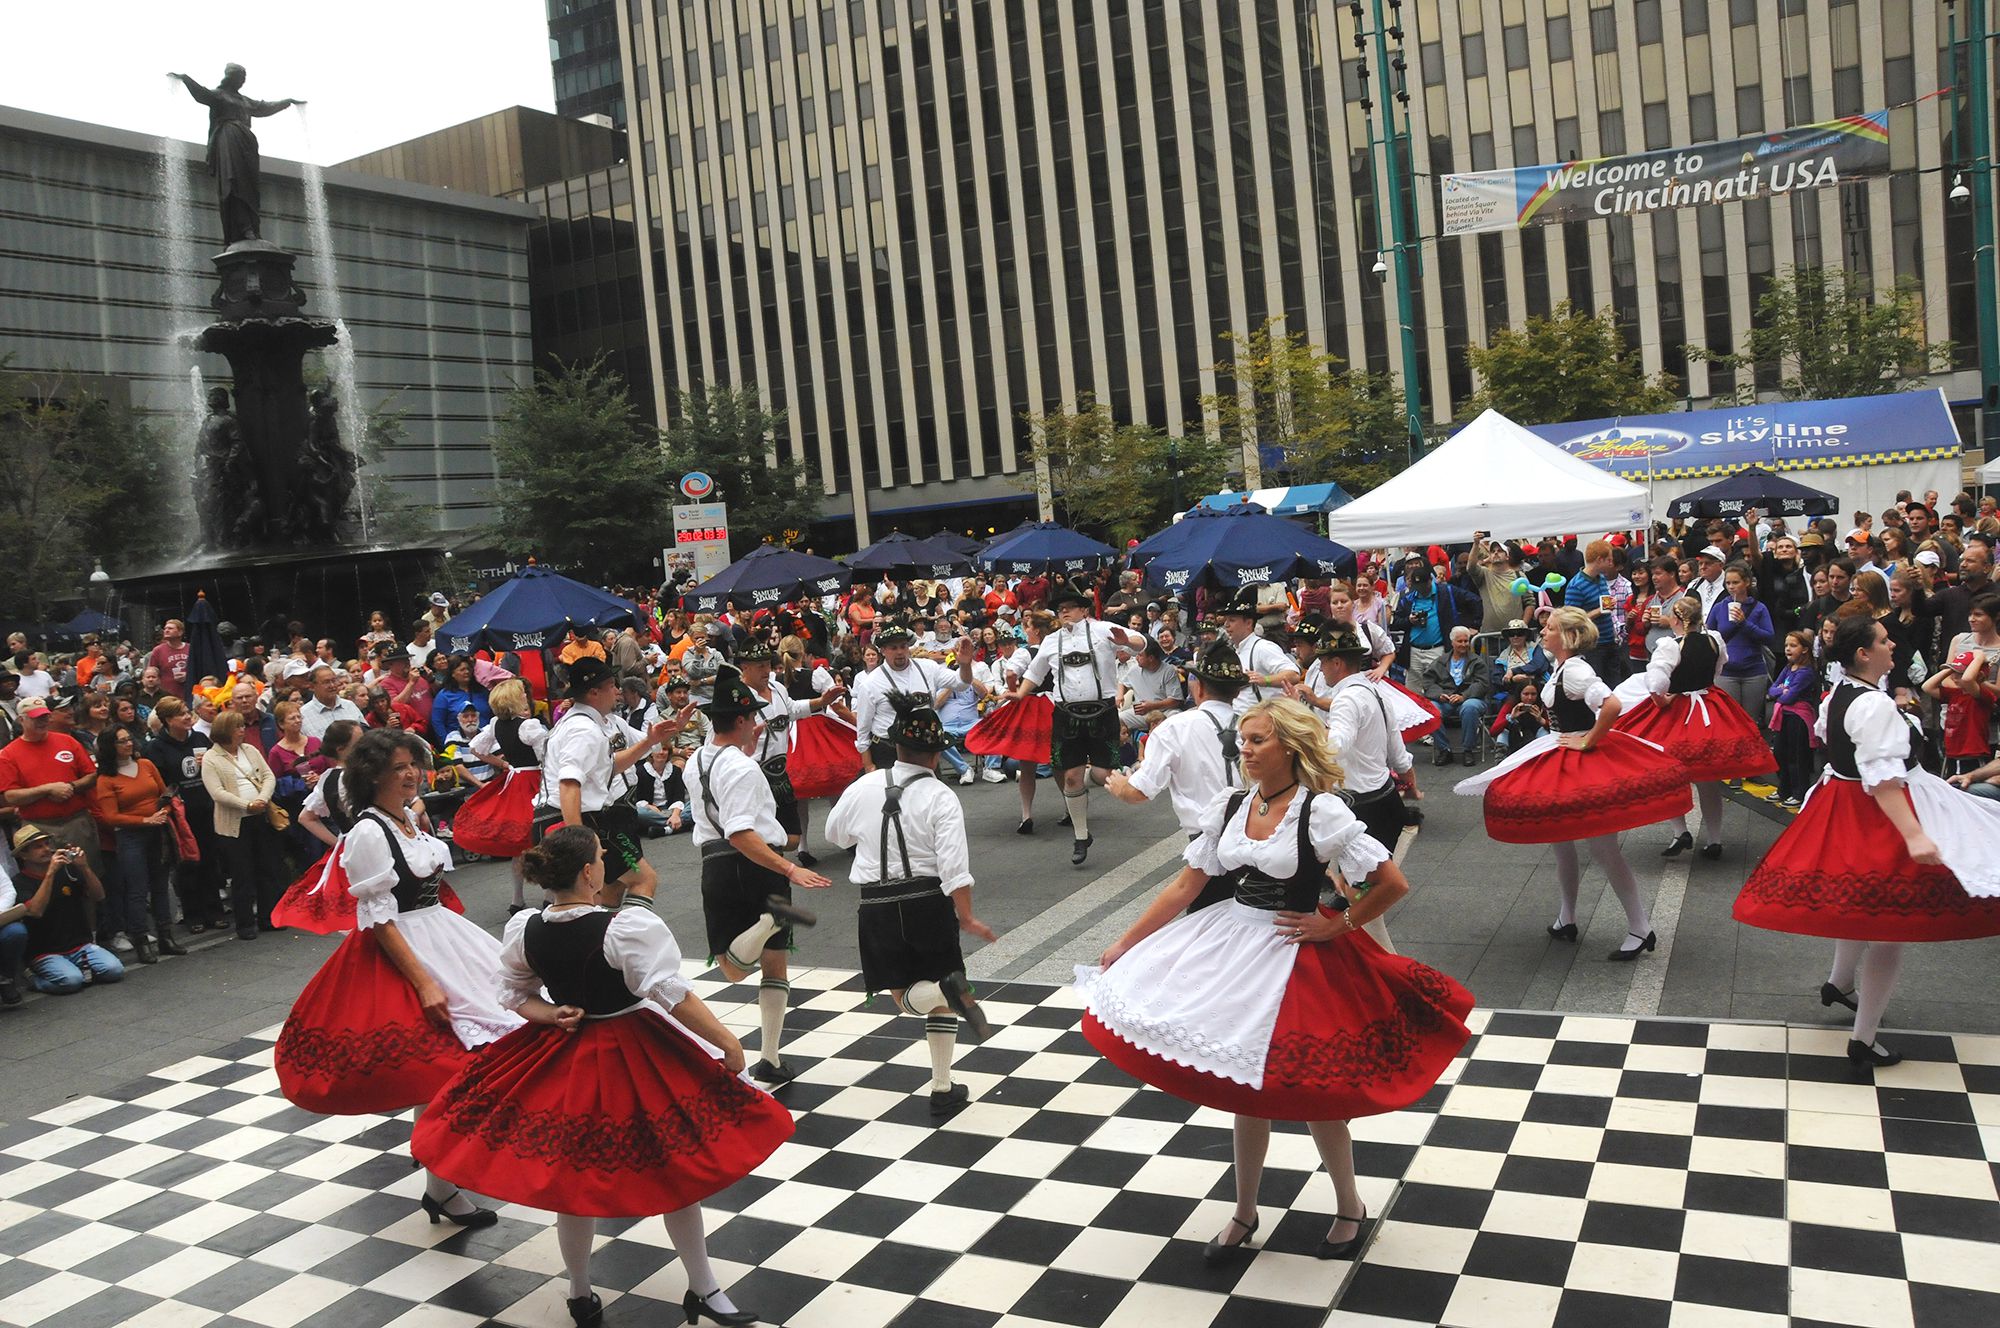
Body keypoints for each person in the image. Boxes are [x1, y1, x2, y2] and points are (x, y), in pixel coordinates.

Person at [1078, 699, 1472, 1265]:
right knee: (1244, 1087)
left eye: (1258, 739)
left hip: (1296, 954)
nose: (1246, 749)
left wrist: (1338, 923)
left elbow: (1391, 883)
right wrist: (1125, 943)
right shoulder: (1232, 804)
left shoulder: (1321, 811)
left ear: (1288, 745)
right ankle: (1244, 1211)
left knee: (1316, 1092)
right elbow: (1184, 888)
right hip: (1231, 942)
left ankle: (1349, 1205)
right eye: (1243, 739)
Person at [411, 826, 790, 1328]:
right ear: (589, 872)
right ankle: (699, 1288)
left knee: (575, 1182)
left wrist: (548, 1015)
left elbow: (513, 994)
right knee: (675, 1171)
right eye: (602, 857)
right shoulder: (621, 927)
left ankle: (583, 1292)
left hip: (564, 1056)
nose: (607, 863)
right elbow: (670, 992)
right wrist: (727, 1040)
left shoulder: (529, 927)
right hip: (630, 1051)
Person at [275, 731, 521, 1227]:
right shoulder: (369, 831)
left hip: (441, 937)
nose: (410, 774)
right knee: (442, 1069)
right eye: (399, 767)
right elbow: (380, 917)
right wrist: (425, 982)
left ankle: (441, 1184)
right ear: (372, 775)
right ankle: (443, 1177)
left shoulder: (404, 817)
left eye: (413, 764)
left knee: (451, 1069)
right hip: (403, 952)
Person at [1734, 615, 2000, 1072]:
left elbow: (1832, 740)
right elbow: (1882, 779)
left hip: (1843, 804)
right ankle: (1864, 1039)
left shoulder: (1843, 690)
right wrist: (1915, 835)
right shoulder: (1871, 704)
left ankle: (1839, 984)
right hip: (1875, 814)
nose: (1892, 643)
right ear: (1863, 653)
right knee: (1889, 927)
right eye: (1883, 640)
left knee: (1862, 906)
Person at [1456, 608, 1692, 957]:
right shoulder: (1563, 667)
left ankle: (1641, 928)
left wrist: (1589, 740)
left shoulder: (1577, 669)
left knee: (1603, 849)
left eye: (1549, 628)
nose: (1544, 632)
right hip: (1562, 751)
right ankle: (1567, 917)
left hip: (1581, 759)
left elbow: (1610, 705)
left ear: (1566, 637)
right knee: (1561, 838)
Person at [823, 695, 999, 1118]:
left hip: (877, 903)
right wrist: (968, 915)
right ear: (937, 755)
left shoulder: (865, 784)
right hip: (927, 900)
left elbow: (834, 835)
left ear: (894, 747)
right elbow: (955, 867)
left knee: (902, 997)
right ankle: (942, 1051)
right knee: (934, 991)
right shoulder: (941, 796)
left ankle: (943, 1085)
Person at [683, 664, 829, 1085]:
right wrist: (788, 867)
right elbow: (742, 833)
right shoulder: (744, 769)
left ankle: (771, 1058)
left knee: (754, 965)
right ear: (744, 720)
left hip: (714, 865)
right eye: (755, 717)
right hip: (757, 864)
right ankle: (770, 920)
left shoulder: (696, 760)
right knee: (745, 966)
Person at [1617, 596, 1776, 860]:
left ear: (1677, 620)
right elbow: (1717, 668)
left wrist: (1662, 701)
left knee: (1666, 773)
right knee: (1708, 779)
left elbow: (1656, 684)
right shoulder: (1714, 640)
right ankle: (1714, 840)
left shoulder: (1670, 646)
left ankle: (1681, 832)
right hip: (1710, 706)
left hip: (1678, 709)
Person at [1009, 584, 1146, 865]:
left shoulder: (1103, 630)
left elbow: (1141, 643)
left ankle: (1082, 788)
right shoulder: (1051, 641)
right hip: (1066, 714)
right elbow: (1035, 674)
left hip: (1102, 711)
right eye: (1060, 609)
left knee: (1102, 774)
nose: (1064, 613)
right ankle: (1081, 836)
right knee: (1070, 776)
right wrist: (1019, 694)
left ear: (1083, 610)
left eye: (1069, 608)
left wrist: (1128, 641)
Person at [541, 657, 685, 906]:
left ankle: (602, 940)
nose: (618, 691)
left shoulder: (598, 722)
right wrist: (580, 842)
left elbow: (612, 766)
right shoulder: (582, 730)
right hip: (585, 820)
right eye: (611, 685)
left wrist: (664, 735)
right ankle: (626, 940)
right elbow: (568, 784)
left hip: (604, 816)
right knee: (644, 880)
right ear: (594, 692)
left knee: (609, 892)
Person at [1108, 641, 1247, 863]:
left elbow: (1140, 792)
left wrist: (1119, 786)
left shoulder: (1174, 728)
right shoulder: (1257, 724)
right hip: (1258, 837)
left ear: (1198, 687)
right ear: (1238, 690)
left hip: (1208, 844)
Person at [90, 724, 187, 963]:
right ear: (110, 748)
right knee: (136, 889)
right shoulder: (106, 779)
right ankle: (141, 939)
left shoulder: (146, 765)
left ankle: (166, 936)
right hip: (130, 836)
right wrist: (145, 819)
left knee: (160, 885)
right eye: (122, 741)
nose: (128, 744)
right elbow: (110, 816)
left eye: (129, 739)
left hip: (159, 831)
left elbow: (165, 793)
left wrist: (163, 812)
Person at [737, 640, 847, 839]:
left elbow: (792, 709)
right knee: (762, 833)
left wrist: (822, 701)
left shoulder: (777, 688)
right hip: (754, 774)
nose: (766, 670)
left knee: (792, 837)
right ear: (745, 667)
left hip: (781, 775)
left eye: (768, 664)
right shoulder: (736, 697)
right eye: (760, 666)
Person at [455, 680, 550, 909]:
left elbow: (477, 749)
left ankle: (517, 899)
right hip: (534, 782)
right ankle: (550, 896)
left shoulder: (496, 723)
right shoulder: (529, 726)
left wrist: (504, 765)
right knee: (544, 837)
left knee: (519, 845)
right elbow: (546, 756)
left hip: (514, 781)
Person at [200, 709, 289, 940]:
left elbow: (268, 776)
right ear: (226, 731)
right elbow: (217, 792)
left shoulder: (249, 750)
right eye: (238, 727)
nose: (242, 730)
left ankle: (268, 917)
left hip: (260, 816)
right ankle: (245, 922)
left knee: (267, 868)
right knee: (242, 874)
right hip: (234, 823)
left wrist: (262, 799)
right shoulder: (212, 758)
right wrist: (245, 805)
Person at [8, 824, 121, 994]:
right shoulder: (19, 882)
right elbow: (36, 911)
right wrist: (51, 873)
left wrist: (84, 867)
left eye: (47, 844)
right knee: (71, 981)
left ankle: (78, 969)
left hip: (80, 945)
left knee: (114, 970)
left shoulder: (67, 870)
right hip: (45, 952)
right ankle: (34, 980)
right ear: (24, 854)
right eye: (38, 847)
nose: (47, 849)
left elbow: (98, 896)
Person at [0, 696, 102, 878]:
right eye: (36, 718)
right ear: (21, 719)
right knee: (48, 880)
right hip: (40, 829)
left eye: (45, 717)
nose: (42, 722)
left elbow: (92, 775)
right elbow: (10, 796)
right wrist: (47, 789)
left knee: (88, 876)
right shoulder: (8, 754)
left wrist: (70, 786)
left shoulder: (68, 741)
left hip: (76, 822)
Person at [852, 623, 973, 769]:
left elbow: (962, 683)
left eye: (903, 646)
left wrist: (965, 666)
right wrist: (869, 765)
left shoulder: (928, 668)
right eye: (893, 648)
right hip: (888, 751)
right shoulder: (870, 684)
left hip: (925, 747)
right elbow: (863, 730)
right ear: (883, 650)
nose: (900, 652)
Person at [1413, 626, 1492, 768]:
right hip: (1446, 700)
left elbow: (1482, 684)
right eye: (1460, 641)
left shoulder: (1477, 661)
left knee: (1470, 708)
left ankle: (1468, 749)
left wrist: (1464, 696)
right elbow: (1428, 682)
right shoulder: (1440, 661)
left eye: (1466, 641)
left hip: (1470, 699)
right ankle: (1444, 750)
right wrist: (1439, 695)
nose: (1463, 644)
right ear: (1452, 642)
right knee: (1432, 710)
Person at [1708, 562, 1775, 729]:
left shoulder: (1759, 608)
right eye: (1728, 583)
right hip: (1726, 672)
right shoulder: (1719, 608)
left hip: (1753, 671)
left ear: (1746, 583)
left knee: (1750, 721)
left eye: (1735, 582)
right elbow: (1709, 636)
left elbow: (1769, 637)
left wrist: (1744, 623)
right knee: (1729, 720)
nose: (1731, 587)